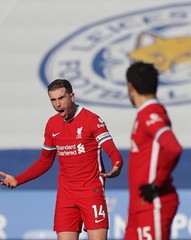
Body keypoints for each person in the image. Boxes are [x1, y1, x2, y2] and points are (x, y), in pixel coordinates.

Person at [0, 79, 123, 240]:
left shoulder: (92, 120)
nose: (57, 104)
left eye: (61, 98)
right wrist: (18, 179)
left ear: (71, 96)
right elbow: (45, 161)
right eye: (53, 100)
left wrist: (117, 165)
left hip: (90, 191)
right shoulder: (52, 124)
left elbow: (112, 151)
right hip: (66, 194)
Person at [124, 61, 183, 240]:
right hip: (139, 205)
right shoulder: (145, 113)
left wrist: (157, 183)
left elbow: (173, 147)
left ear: (130, 87)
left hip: (153, 202)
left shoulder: (151, 113)